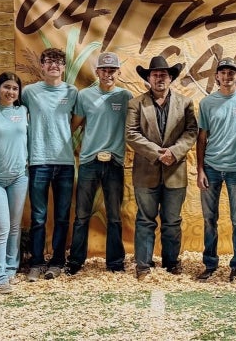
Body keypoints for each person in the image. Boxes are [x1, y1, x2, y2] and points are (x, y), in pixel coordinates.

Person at [125, 56, 198, 280]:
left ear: (171, 78)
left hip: (175, 171)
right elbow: (131, 134)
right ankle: (143, 266)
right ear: (148, 78)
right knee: (145, 219)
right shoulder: (136, 103)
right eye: (155, 74)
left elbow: (191, 131)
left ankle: (171, 263)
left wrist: (174, 153)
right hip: (146, 172)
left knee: (172, 220)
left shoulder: (185, 103)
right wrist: (159, 154)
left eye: (164, 75)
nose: (159, 78)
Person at [67, 52, 133, 274]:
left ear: (119, 72)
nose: (108, 74)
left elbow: (134, 128)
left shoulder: (126, 97)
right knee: (82, 214)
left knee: (114, 215)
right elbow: (73, 126)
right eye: (104, 70)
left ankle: (115, 263)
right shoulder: (84, 96)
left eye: (112, 70)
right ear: (97, 72)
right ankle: (75, 262)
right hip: (88, 162)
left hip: (114, 162)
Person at [196, 57, 236, 282]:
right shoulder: (207, 103)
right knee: (209, 218)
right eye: (222, 72)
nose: (226, 76)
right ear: (216, 77)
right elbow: (201, 138)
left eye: (231, 72)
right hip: (212, 168)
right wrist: (200, 169)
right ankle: (210, 264)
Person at [21, 48, 79, 281]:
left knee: (63, 216)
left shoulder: (72, 92)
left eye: (58, 62)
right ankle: (36, 262)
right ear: (42, 66)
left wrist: (63, 135)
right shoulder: (29, 92)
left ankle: (56, 261)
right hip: (38, 161)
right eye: (48, 62)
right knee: (38, 217)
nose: (54, 65)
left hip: (65, 162)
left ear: (64, 67)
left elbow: (76, 120)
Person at [0, 72, 29, 293]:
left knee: (14, 227)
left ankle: (10, 269)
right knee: (1, 227)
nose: (10, 92)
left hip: (19, 177)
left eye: (15, 88)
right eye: (6, 87)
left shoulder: (22, 111)